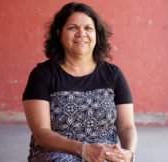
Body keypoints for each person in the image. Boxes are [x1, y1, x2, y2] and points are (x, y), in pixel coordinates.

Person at [22, 2, 137, 162]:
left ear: (97, 35)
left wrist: (129, 153)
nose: (81, 34)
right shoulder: (42, 75)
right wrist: (83, 149)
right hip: (57, 153)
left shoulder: (113, 74)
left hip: (104, 154)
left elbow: (126, 127)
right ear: (59, 34)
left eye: (88, 28)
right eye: (72, 28)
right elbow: (41, 133)